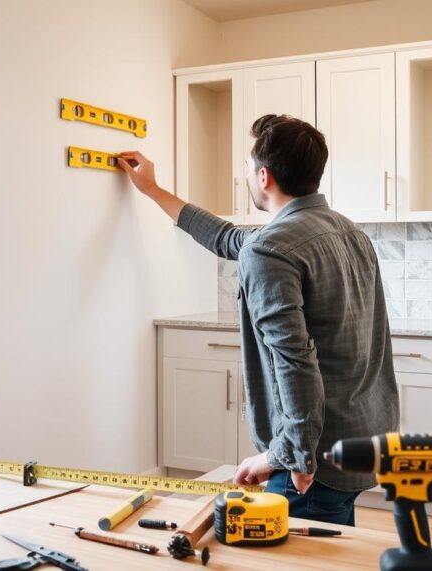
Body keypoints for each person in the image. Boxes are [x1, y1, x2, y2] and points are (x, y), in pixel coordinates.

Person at [119, 114, 399, 526]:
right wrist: (153, 190)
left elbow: (294, 361)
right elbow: (227, 238)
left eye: (248, 168)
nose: (247, 175)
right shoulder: (348, 231)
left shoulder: (271, 249)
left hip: (311, 462)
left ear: (263, 176)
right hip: (360, 443)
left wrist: (290, 456)